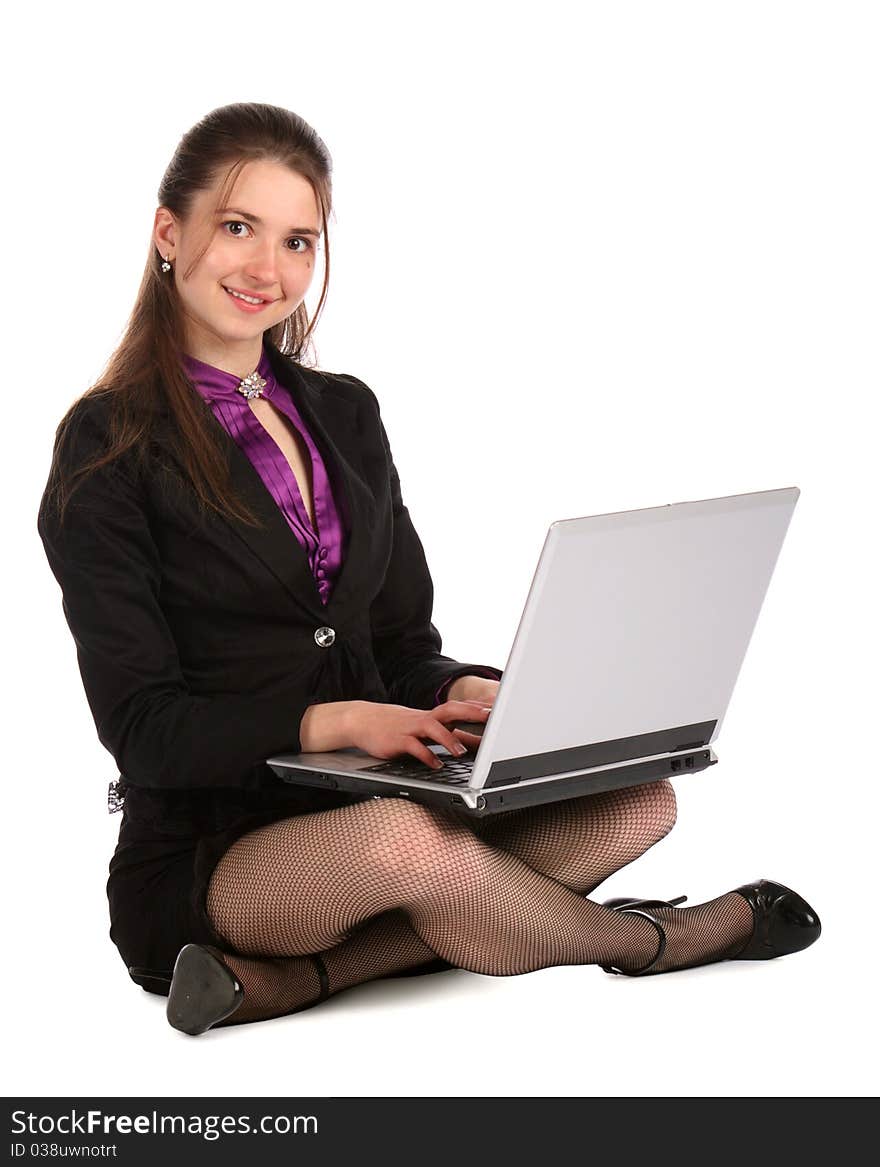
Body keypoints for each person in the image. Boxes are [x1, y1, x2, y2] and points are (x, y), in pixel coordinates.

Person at [36, 102, 821, 1037]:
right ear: (170, 231)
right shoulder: (107, 445)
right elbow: (143, 729)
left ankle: (297, 980)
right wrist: (340, 718)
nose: (268, 269)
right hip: (218, 852)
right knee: (410, 846)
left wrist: (480, 692)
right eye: (238, 227)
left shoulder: (346, 413)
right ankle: (657, 940)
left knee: (636, 804)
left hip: (389, 796)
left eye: (298, 240)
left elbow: (403, 643)